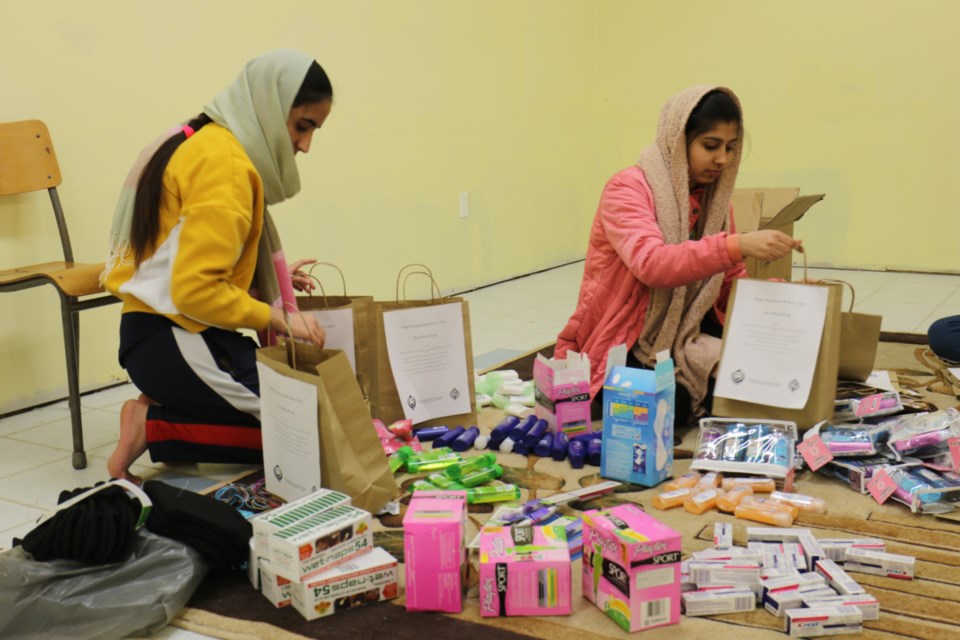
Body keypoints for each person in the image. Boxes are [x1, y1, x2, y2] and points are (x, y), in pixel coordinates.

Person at [102, 49, 332, 483]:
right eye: (302, 126)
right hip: (177, 337)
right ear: (269, 107)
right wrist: (278, 317)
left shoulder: (208, 141)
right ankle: (150, 426)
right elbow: (195, 292)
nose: (305, 144)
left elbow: (184, 264)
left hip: (166, 335)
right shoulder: (225, 166)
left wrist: (262, 289)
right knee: (308, 428)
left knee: (304, 409)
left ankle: (163, 403)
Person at [555, 85, 803, 426]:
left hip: (684, 331)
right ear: (677, 141)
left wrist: (784, 298)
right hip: (628, 336)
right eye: (710, 146)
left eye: (731, 148)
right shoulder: (626, 189)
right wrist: (736, 245)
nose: (722, 159)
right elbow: (653, 265)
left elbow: (729, 284)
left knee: (754, 378)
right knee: (674, 406)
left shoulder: (714, 202)